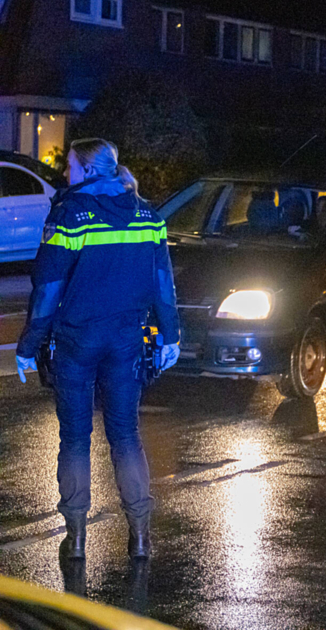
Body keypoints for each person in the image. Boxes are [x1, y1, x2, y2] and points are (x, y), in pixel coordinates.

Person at [15, 138, 180, 561]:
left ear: (88, 170)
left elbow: (47, 289)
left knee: (75, 438)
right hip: (127, 340)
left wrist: (29, 344)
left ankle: (77, 538)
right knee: (125, 435)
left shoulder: (71, 215)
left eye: (70, 166)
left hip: (76, 341)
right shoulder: (148, 215)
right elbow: (163, 283)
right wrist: (171, 334)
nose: (66, 174)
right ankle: (140, 536)